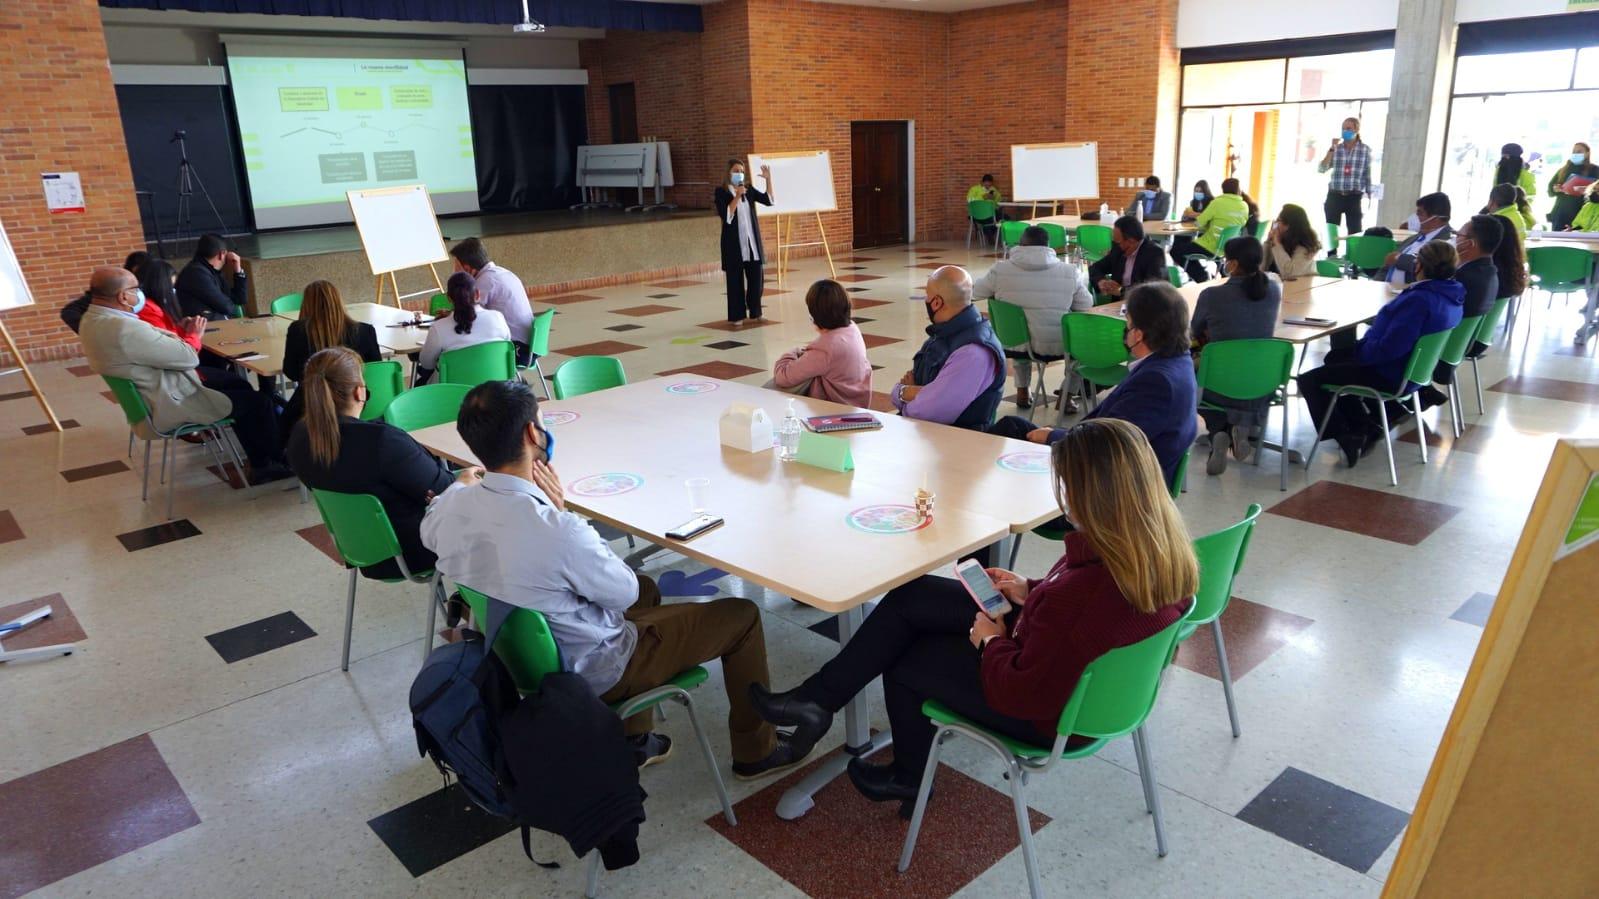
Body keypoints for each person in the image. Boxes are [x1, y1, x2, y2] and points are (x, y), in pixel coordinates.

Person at [747, 417, 1196, 812]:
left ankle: (907, 775)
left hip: (1046, 715)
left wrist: (991, 640)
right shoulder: (1154, 553)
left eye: (1067, 486)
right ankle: (815, 701)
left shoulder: (1082, 591)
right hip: (1084, 687)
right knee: (914, 596)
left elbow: (1019, 693)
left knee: (905, 660)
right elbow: (1083, 616)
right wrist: (1031, 590)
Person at [420, 378, 807, 777]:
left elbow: (429, 528)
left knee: (648, 590)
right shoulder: (554, 528)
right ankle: (756, 750)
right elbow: (620, 593)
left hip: (514, 660)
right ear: (533, 433)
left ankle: (634, 740)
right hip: (593, 667)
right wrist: (562, 511)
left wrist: (462, 483)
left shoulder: (451, 508)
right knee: (741, 616)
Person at [77, 266, 289, 482]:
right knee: (259, 402)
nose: (139, 293)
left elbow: (152, 348)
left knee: (239, 387)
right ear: (123, 296)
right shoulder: (122, 328)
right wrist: (193, 335)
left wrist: (178, 333)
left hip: (154, 393)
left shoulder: (91, 320)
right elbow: (188, 358)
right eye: (136, 288)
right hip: (169, 401)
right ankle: (267, 465)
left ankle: (263, 457)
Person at [990, 282, 1199, 491]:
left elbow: (1110, 444)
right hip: (1110, 464)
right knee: (1013, 427)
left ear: (1138, 334)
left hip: (1111, 490)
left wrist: (1054, 437)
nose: (1125, 332)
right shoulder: (1177, 361)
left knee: (1007, 457)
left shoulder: (1157, 381)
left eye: (1127, 324)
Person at [287, 347, 458, 579]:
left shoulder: (300, 437)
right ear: (360, 392)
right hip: (417, 550)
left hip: (361, 550)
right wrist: (465, 478)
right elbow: (444, 492)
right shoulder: (382, 441)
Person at [1297, 241, 1464, 467]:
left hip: (1389, 372)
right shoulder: (1451, 296)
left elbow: (1390, 348)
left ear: (1419, 266)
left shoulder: (1419, 300)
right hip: (1412, 372)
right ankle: (1366, 422)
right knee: (1335, 361)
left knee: (1309, 379)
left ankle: (1351, 435)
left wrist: (1358, 352)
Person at [972, 225, 1092, 409]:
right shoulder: (1070, 272)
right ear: (1048, 246)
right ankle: (1066, 396)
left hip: (1013, 343)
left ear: (1020, 245)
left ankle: (1022, 390)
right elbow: (1086, 305)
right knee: (1083, 349)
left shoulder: (1001, 270)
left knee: (1021, 326)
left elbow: (975, 292)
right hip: (1057, 343)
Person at [1190, 236, 1282, 475]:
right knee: (1240, 370)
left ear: (1231, 264)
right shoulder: (1273, 290)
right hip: (1264, 381)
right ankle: (1241, 427)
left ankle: (1219, 430)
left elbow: (1194, 330)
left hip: (1221, 381)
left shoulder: (1211, 295)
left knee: (1187, 373)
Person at [892, 266, 1006, 430]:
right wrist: (922, 393)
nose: (925, 300)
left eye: (927, 296)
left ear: (937, 303)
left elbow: (929, 412)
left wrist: (902, 392)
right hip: (929, 435)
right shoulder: (946, 332)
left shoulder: (973, 352)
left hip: (956, 443)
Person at [1416, 215, 1503, 409]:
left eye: (1458, 235)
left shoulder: (1459, 282)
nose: (1455, 239)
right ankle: (1419, 396)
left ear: (1469, 243)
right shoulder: (1490, 273)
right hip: (1451, 351)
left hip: (1429, 356)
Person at [281, 280, 381, 440]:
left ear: (306, 304)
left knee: (281, 427)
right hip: (357, 401)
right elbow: (376, 369)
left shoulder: (298, 330)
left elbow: (291, 372)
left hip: (312, 401)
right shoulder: (365, 330)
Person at [771, 279, 872, 408]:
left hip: (832, 411)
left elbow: (783, 377)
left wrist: (792, 352)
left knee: (773, 389)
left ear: (816, 316)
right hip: (856, 403)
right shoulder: (852, 329)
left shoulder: (825, 350)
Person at [416, 272, 513, 385]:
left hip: (451, 393)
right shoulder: (497, 317)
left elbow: (427, 363)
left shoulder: (439, 328)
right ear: (477, 294)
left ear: (449, 299)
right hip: (495, 388)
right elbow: (507, 344)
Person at [448, 237, 532, 365]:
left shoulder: (485, 281)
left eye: (456, 267)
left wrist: (448, 317)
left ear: (467, 268)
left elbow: (468, 316)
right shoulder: (502, 272)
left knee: (456, 347)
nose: (454, 271)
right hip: (529, 345)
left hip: (515, 350)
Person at [716, 158, 775, 327]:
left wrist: (768, 179)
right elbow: (726, 216)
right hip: (734, 244)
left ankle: (756, 312)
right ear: (728, 173)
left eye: (741, 171)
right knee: (735, 280)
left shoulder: (748, 190)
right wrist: (737, 196)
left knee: (756, 277)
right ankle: (737, 315)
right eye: (735, 170)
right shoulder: (721, 192)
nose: (739, 174)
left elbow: (769, 200)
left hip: (751, 242)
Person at [1169, 178, 1249, 283]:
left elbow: (1199, 223)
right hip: (1229, 247)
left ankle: (1201, 275)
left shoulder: (1217, 203)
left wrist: (1194, 216)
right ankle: (1207, 274)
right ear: (1238, 190)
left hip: (1210, 246)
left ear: (1223, 189)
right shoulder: (1244, 206)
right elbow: (1242, 224)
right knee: (1185, 245)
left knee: (1175, 250)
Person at [1378, 193, 1453, 285]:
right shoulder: (1416, 238)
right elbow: (1387, 265)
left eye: (1420, 213)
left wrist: (1399, 259)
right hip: (1386, 289)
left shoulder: (1448, 242)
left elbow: (1432, 265)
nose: (1415, 218)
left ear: (1435, 219)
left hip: (1414, 294)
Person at [1089, 216, 1168, 302]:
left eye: (1118, 242)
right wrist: (1101, 281)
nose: (1115, 245)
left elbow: (1154, 290)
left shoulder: (1154, 253)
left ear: (1131, 241)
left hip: (1143, 307)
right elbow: (1095, 268)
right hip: (1117, 306)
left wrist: (1121, 291)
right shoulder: (1118, 248)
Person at [1319, 117, 1373, 241]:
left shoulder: (1365, 150)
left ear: (1357, 129)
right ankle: (1331, 256)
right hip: (1335, 195)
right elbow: (1322, 169)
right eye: (1343, 128)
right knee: (1331, 231)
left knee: (1355, 231)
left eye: (1348, 128)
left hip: (1353, 196)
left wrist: (1369, 195)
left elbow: (1368, 174)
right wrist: (1332, 148)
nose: (1345, 131)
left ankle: (1353, 257)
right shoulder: (1336, 149)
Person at [176, 233, 248, 321]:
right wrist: (231, 305)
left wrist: (238, 270)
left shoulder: (211, 271)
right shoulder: (196, 273)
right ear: (222, 254)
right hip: (205, 328)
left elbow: (239, 299)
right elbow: (227, 307)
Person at [1547, 142, 1598, 231]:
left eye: (1579, 151)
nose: (1575, 154)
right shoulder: (1564, 169)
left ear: (1587, 153)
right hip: (1561, 213)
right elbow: (1550, 190)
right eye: (1574, 152)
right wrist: (1555, 189)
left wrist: (1588, 190)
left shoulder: (1595, 170)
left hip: (1582, 214)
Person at [1262, 204, 1322, 279]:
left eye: (1278, 220)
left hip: (1303, 286)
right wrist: (1268, 242)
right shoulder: (1280, 240)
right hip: (1284, 286)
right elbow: (1261, 268)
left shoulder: (1305, 245)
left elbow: (1290, 274)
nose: (1276, 224)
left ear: (1288, 225)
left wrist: (1277, 244)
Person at [1493, 143, 1539, 225]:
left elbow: (1530, 196)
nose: (1504, 159)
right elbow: (1531, 197)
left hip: (1507, 212)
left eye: (1505, 156)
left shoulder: (1498, 172)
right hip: (1518, 214)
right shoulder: (1527, 174)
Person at [1482, 183, 1527, 250]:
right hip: (1516, 258)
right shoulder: (1518, 216)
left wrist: (1482, 213)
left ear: (1492, 201)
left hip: (1501, 259)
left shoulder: (1495, 221)